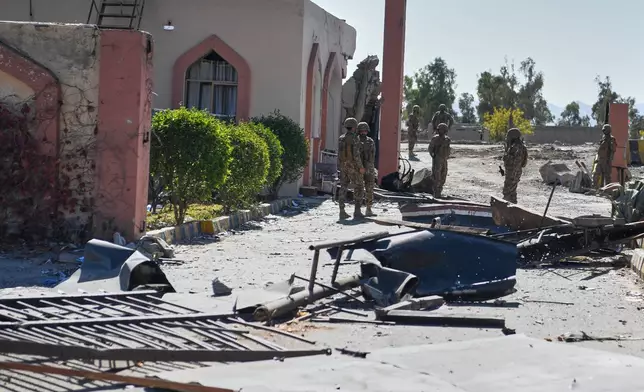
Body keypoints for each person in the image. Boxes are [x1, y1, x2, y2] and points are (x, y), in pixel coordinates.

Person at [337, 117, 365, 220]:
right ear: (354, 127)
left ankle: (341, 211)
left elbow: (339, 154)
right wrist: (361, 167)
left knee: (343, 187)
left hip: (343, 166)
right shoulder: (355, 138)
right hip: (353, 167)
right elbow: (356, 155)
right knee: (359, 187)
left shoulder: (341, 138)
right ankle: (357, 211)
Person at [502, 128, 528, 204]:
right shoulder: (521, 146)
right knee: (512, 192)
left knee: (507, 191)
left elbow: (513, 160)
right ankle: (513, 206)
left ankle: (506, 209)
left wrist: (506, 155)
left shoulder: (516, 147)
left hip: (513, 172)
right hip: (516, 171)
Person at [358, 122, 377, 217]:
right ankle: (360, 210)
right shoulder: (357, 141)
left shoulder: (370, 141)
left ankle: (367, 209)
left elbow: (373, 155)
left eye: (365, 130)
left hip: (365, 168)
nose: (363, 132)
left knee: (368, 189)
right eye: (362, 130)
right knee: (362, 189)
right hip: (362, 168)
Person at [429, 123, 451, 198]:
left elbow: (448, 149)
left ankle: (439, 191)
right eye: (441, 129)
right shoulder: (435, 139)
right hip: (437, 159)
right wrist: (434, 156)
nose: (443, 131)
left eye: (444, 130)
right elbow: (430, 148)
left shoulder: (447, 139)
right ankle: (436, 193)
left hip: (444, 159)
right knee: (436, 177)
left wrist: (447, 156)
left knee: (443, 175)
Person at [593, 123, 616, 188]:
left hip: (606, 160)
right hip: (600, 159)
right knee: (596, 174)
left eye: (605, 130)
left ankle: (607, 189)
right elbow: (600, 150)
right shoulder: (603, 139)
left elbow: (613, 150)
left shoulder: (611, 139)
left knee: (607, 176)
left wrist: (610, 160)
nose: (603, 131)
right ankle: (595, 187)